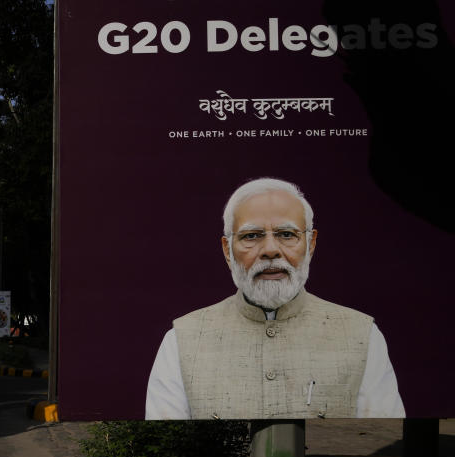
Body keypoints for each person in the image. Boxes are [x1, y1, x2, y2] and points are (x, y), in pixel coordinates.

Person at [145, 177, 404, 420]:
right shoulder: (181, 340)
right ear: (227, 250)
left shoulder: (362, 335)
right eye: (251, 236)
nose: (270, 250)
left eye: (287, 234)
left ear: (310, 245)